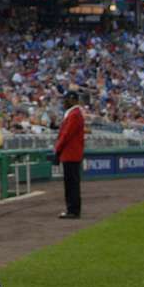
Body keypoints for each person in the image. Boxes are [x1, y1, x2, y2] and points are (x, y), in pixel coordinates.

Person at [55, 91, 85, 219]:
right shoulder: (74, 113)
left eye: (66, 100)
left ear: (72, 100)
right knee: (71, 183)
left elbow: (66, 134)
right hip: (71, 153)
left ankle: (72, 210)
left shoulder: (74, 114)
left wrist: (57, 149)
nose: (64, 102)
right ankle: (72, 209)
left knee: (71, 183)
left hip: (70, 153)